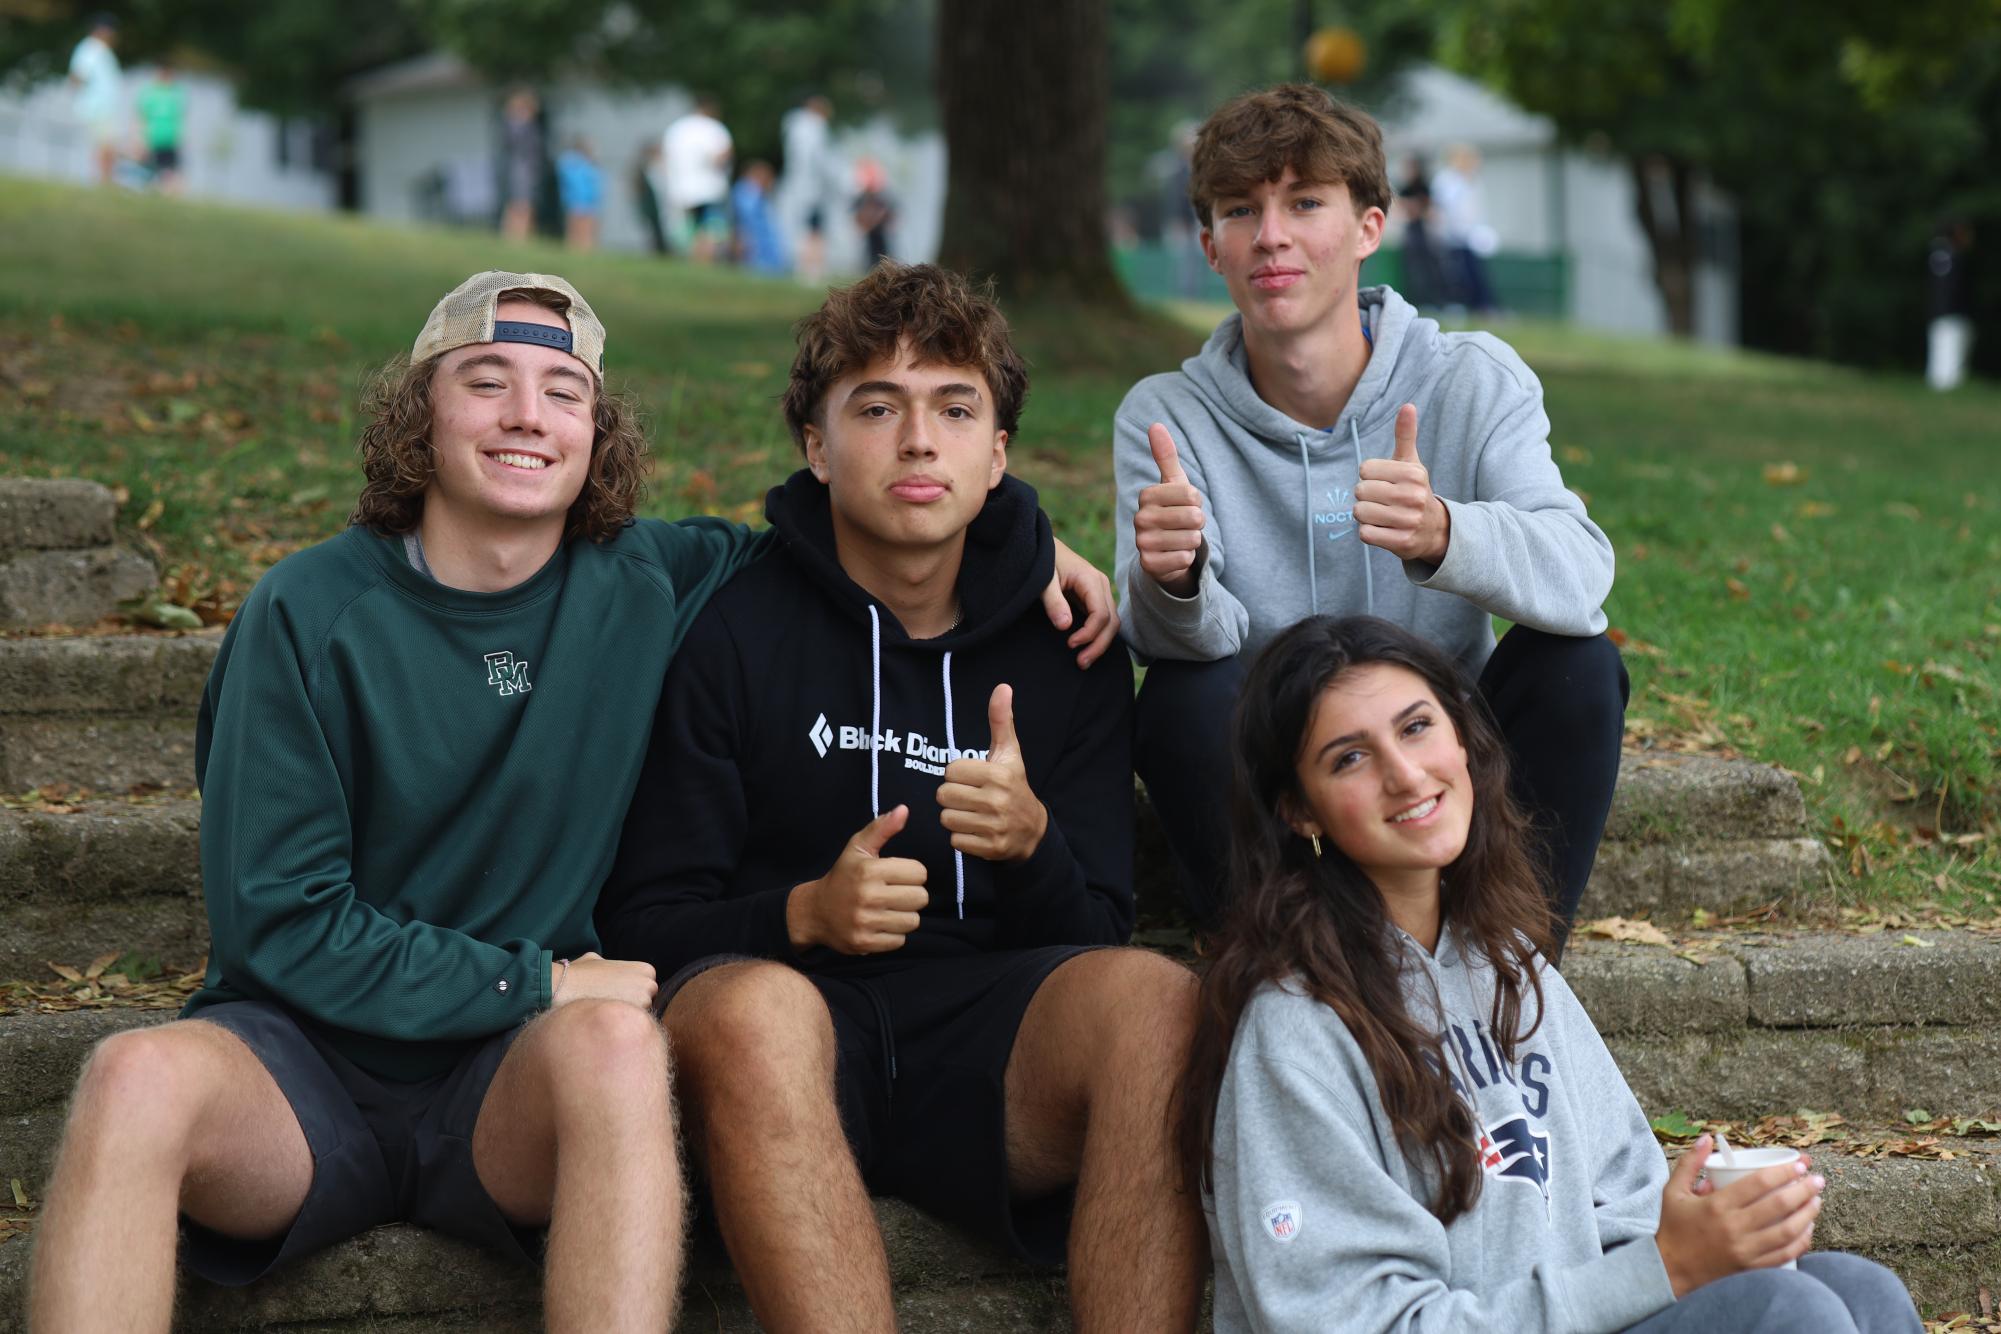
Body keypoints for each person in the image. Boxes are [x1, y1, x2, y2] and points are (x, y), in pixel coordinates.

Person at [26, 269, 1123, 1332]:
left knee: (617, 1046)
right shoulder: (306, 612)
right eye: (485, 379)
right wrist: (532, 976)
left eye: (564, 393)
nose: (526, 416)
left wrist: (1026, 546)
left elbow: (870, 536)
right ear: (420, 413)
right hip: (307, 1063)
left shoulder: (651, 578)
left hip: (514, 1078)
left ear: (598, 433)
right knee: (131, 1076)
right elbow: (278, 920)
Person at [599, 261, 1206, 1332]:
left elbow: (1098, 928)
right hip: (785, 1037)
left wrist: (1032, 847)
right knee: (748, 1009)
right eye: (877, 408)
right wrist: (800, 914)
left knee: (1158, 999)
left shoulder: (1070, 644)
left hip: (987, 1039)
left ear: (997, 453)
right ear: (817, 447)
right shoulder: (731, 630)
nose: (919, 441)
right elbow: (640, 923)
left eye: (955, 409)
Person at [1181, 614, 1924, 1334]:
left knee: (1859, 1290)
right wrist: (1663, 1269)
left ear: (1461, 738)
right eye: (1349, 757)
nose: (1405, 775)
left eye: (1415, 727)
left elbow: (1625, 1201)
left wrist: (1709, 1237)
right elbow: (1358, 1321)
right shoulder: (1296, 1025)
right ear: (1299, 812)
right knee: (1788, 1314)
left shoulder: (1507, 962)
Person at [1115, 84, 1622, 949]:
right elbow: (1176, 653)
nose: (1270, 236)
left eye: (1304, 202)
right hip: (1278, 774)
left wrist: (1443, 534)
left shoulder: (1470, 378)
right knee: (1176, 695)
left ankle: (1508, 965)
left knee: (1576, 666)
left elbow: (1580, 577)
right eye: (1241, 211)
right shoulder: (1166, 414)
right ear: (1210, 246)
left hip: (1436, 753)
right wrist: (1174, 581)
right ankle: (1284, 971)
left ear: (1367, 229)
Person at [664, 94, 733, 264]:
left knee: (688, 230)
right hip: (708, 188)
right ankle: (704, 262)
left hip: (680, 188)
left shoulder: (677, 129)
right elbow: (722, 156)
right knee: (710, 228)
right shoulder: (714, 129)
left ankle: (691, 260)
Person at [781, 93, 837, 285]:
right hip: (812, 188)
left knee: (801, 228)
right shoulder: (815, 128)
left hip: (796, 186)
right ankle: (812, 270)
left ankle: (802, 268)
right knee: (814, 230)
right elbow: (820, 161)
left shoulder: (794, 127)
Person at [66, 14, 122, 188]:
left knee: (106, 147)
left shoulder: (101, 50)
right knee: (105, 147)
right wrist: (83, 98)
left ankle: (105, 182)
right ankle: (103, 183)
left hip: (102, 106)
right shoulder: (90, 49)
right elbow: (77, 76)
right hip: (96, 107)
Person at [1927, 218, 1975, 391]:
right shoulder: (1952, 256)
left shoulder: (1938, 254)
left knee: (1942, 358)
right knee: (1949, 363)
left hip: (1941, 313)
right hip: (1952, 314)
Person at [133, 59, 188, 196]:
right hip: (152, 139)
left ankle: (170, 197)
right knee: (149, 173)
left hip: (170, 140)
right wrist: (139, 140)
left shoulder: (177, 93)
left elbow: (180, 118)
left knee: (172, 174)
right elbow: (141, 117)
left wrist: (180, 139)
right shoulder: (149, 92)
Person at [729, 160, 788, 274]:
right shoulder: (746, 192)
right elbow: (744, 219)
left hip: (763, 246)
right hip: (753, 244)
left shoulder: (756, 195)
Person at [499, 90, 542, 242]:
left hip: (526, 169)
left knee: (523, 204)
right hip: (521, 169)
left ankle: (521, 236)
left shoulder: (523, 126)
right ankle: (515, 236)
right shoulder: (515, 125)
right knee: (520, 204)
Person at [555, 136, 603, 252]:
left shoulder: (588, 164)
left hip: (588, 201)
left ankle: (585, 250)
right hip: (576, 200)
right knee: (577, 228)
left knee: (587, 228)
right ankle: (576, 250)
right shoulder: (571, 162)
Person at [851, 157, 896, 267]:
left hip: (880, 231)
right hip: (870, 232)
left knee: (883, 253)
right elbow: (856, 213)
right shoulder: (863, 198)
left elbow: (890, 212)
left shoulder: (882, 197)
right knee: (870, 254)